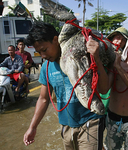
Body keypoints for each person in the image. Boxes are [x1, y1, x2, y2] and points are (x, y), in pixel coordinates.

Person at [23, 21, 105, 150]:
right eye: (39, 52)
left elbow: (104, 87)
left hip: (90, 120)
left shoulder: (81, 57)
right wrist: (32, 127)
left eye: (44, 50)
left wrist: (97, 58)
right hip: (66, 125)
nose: (43, 55)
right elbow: (44, 99)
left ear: (56, 40)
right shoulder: (46, 67)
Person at [87, 24, 128, 150]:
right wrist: (97, 58)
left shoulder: (117, 64)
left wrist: (119, 68)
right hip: (113, 118)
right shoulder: (114, 60)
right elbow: (103, 89)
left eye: (120, 38)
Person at [100, 27, 128, 114]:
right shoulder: (101, 53)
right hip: (100, 98)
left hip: (112, 104)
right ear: (112, 38)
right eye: (118, 37)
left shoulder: (124, 61)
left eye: (123, 40)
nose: (119, 42)